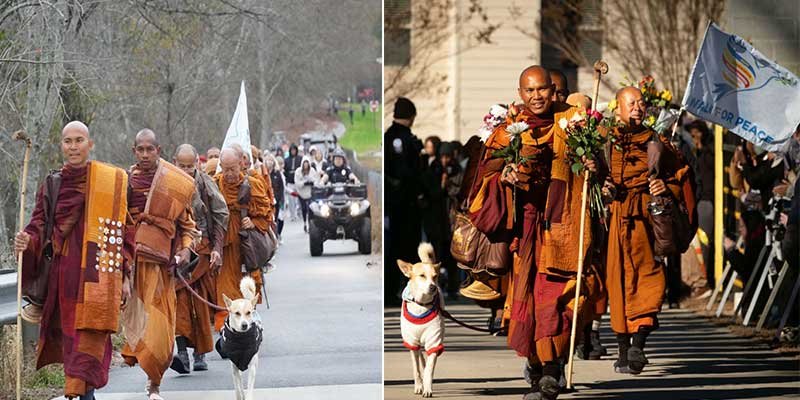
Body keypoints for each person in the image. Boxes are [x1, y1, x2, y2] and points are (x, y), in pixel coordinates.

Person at [473, 66, 602, 400]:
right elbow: (485, 170)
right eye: (529, 91)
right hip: (525, 230)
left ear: (553, 90)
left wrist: (594, 166)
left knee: (555, 299)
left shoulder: (573, 122)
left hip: (563, 223)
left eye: (542, 90)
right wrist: (505, 177)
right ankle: (536, 369)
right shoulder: (508, 129)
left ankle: (551, 369)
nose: (536, 97)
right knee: (526, 303)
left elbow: (599, 167)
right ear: (520, 94)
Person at [15, 121, 131, 400]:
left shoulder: (110, 181)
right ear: (61, 145)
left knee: (90, 337)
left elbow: (124, 231)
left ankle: (85, 392)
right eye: (68, 141)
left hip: (99, 276)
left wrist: (126, 276)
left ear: (90, 144)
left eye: (79, 140)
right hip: (64, 276)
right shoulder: (53, 184)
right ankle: (80, 393)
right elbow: (38, 225)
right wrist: (26, 241)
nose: (74, 146)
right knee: (71, 338)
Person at [604, 87, 694, 375]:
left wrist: (664, 187)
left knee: (650, 278)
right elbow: (589, 178)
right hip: (616, 218)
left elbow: (680, 175)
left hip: (645, 219)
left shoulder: (657, 142)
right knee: (617, 283)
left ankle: (638, 344)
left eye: (641, 103)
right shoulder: (603, 142)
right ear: (617, 109)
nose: (637, 108)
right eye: (631, 103)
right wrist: (599, 184)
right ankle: (622, 349)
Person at [121, 129, 196, 399]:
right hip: (135, 263)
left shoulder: (173, 183)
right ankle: (152, 379)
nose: (144, 154)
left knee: (162, 331)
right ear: (133, 151)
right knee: (140, 324)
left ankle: (155, 380)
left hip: (164, 267)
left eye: (149, 149)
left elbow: (187, 226)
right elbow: (119, 223)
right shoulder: (125, 182)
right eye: (139, 149)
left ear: (158, 150)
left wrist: (186, 251)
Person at [170, 144, 229, 374]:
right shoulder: (168, 184)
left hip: (202, 251)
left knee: (201, 305)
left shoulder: (206, 184)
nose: (186, 170)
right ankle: (182, 354)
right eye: (181, 165)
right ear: (175, 162)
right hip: (177, 252)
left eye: (190, 165)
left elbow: (221, 215)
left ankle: (200, 354)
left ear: (197, 163)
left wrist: (217, 249)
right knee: (180, 304)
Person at [213, 148, 273, 332]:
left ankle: (248, 322)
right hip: (225, 246)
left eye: (233, 168)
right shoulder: (215, 185)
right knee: (225, 289)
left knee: (246, 287)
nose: (229, 174)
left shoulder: (254, 184)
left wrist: (253, 222)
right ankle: (228, 329)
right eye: (225, 169)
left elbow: (267, 213)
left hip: (246, 247)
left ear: (242, 163)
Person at [384, 97, 424, 305]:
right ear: (411, 116)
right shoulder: (402, 139)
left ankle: (393, 290)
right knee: (406, 249)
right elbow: (406, 173)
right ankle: (402, 290)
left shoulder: (390, 136)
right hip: (404, 204)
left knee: (395, 249)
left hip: (395, 204)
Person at [294, 156, 318, 231]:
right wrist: (304, 182)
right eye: (304, 164)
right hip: (301, 193)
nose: (306, 166)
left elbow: (316, 180)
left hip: (310, 193)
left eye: (307, 164)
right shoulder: (298, 171)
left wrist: (311, 182)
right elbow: (297, 182)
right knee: (304, 208)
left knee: (310, 209)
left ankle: (310, 224)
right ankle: (304, 222)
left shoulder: (312, 171)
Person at [265, 154, 286, 237]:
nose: (269, 162)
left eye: (271, 161)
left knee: (275, 219)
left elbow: (281, 187)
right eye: (268, 160)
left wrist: (279, 198)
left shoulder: (277, 173)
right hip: (266, 200)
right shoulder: (264, 173)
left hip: (276, 200)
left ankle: (276, 235)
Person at [284, 144, 302, 221]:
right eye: (292, 150)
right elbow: (285, 171)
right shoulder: (287, 160)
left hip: (298, 182)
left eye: (294, 150)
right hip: (290, 181)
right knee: (291, 200)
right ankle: (292, 214)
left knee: (300, 198)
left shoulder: (300, 159)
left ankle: (299, 212)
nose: (293, 152)